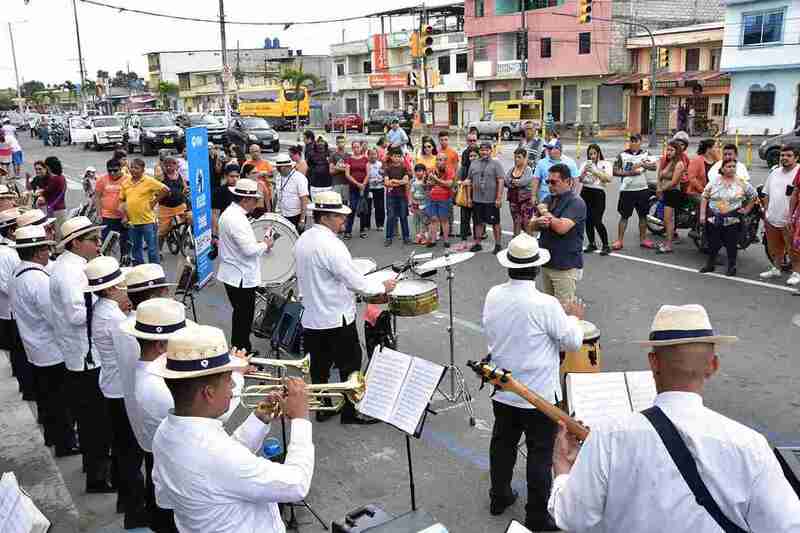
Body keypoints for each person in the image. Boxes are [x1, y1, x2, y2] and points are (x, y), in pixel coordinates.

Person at [548, 304, 800, 532]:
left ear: (653, 362)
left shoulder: (608, 436)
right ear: (713, 366)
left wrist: (563, 469)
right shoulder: (751, 446)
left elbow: (573, 518)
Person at [150, 326, 313, 533]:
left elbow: (165, 499)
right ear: (208, 393)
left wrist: (259, 418)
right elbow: (297, 484)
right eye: (229, 381)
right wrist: (301, 419)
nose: (233, 388)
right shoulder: (217, 454)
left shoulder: (164, 433)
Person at [484, 232, 584, 531]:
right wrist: (573, 317)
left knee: (503, 443)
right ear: (537, 268)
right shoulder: (545, 303)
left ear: (509, 266)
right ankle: (537, 516)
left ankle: (498, 496)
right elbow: (573, 342)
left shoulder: (493, 294)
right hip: (538, 394)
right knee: (540, 454)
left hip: (503, 387)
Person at [295, 190, 396, 424]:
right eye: (339, 216)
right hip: (336, 317)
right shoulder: (332, 245)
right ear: (325, 217)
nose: (343, 220)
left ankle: (323, 408)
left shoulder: (303, 240)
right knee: (350, 365)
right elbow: (356, 282)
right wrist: (382, 285)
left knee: (319, 366)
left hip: (312, 317)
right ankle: (350, 413)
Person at [50, 216, 116, 493]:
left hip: (81, 354)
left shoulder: (73, 266)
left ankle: (96, 467)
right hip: (85, 358)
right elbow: (76, 314)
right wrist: (106, 297)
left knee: (93, 421)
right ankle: (98, 478)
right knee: (95, 422)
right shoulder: (71, 273)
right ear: (75, 243)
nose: (98, 244)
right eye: (92, 240)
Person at [83, 256, 148, 528]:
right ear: (110, 289)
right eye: (122, 285)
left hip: (112, 387)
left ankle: (127, 500)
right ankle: (134, 509)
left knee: (124, 451)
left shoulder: (106, 309)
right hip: (120, 391)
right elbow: (134, 356)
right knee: (130, 453)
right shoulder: (113, 318)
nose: (126, 289)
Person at [119, 297, 193, 533]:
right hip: (175, 470)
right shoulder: (157, 387)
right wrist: (235, 379)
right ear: (161, 345)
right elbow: (205, 417)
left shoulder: (149, 370)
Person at [8, 224, 79, 457]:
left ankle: (53, 436)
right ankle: (65, 442)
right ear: (38, 252)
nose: (49, 253)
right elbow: (54, 317)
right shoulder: (38, 280)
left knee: (47, 398)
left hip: (34, 347)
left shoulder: (18, 274)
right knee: (60, 401)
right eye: (46, 249)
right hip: (51, 348)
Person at [217, 178, 274, 353]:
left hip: (234, 274)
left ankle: (240, 348)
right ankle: (241, 351)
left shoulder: (230, 214)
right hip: (240, 276)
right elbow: (249, 251)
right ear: (245, 200)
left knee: (241, 316)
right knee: (243, 317)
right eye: (255, 200)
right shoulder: (237, 219)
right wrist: (266, 244)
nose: (256, 204)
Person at [528, 164, 586, 304]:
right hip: (547, 262)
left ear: (568, 182)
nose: (550, 185)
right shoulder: (549, 199)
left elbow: (561, 228)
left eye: (554, 182)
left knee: (563, 311)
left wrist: (544, 213)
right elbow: (530, 225)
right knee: (549, 307)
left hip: (565, 266)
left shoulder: (576, 202)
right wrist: (538, 223)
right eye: (547, 182)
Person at [699, 159, 756, 276]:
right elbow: (704, 196)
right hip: (714, 218)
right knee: (713, 243)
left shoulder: (741, 182)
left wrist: (746, 209)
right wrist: (702, 214)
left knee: (731, 244)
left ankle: (731, 266)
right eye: (729, 166)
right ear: (723, 168)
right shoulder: (714, 182)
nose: (731, 169)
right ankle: (710, 264)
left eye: (734, 166)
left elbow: (753, 196)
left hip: (732, 219)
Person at [1, 208, 34, 401]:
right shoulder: (8, 254)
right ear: (13, 230)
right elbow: (7, 286)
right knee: (20, 352)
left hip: (11, 310)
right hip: (11, 311)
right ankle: (28, 389)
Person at [761, 145, 800, 283]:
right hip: (772, 218)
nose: (784, 158)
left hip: (790, 220)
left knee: (793, 249)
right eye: (782, 155)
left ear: (796, 157)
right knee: (774, 248)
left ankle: (796, 272)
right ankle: (776, 269)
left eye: (789, 155)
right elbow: (766, 193)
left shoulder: (798, 172)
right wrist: (766, 212)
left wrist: (793, 217)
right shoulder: (774, 173)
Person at [119, 159, 169, 265]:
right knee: (136, 249)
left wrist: (154, 202)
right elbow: (122, 200)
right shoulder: (125, 183)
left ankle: (155, 271)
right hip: (133, 222)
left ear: (143, 170)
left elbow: (165, 190)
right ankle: (140, 271)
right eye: (131, 167)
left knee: (152, 249)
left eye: (136, 168)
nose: (133, 170)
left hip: (148, 222)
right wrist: (124, 216)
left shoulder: (148, 181)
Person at [612, 133, 657, 250]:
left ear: (640, 142)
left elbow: (654, 167)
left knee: (643, 216)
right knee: (624, 216)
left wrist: (643, 165)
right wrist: (629, 173)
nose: (634, 143)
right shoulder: (622, 155)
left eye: (636, 141)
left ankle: (643, 239)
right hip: (627, 190)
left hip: (642, 189)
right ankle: (619, 240)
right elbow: (615, 171)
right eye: (632, 141)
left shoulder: (646, 154)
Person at [467, 141, 505, 254]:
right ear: (479, 151)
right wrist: (469, 198)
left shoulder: (496, 164)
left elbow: (501, 180)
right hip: (477, 199)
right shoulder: (473, 163)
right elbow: (469, 181)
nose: (484, 152)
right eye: (482, 150)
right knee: (478, 222)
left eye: (487, 150)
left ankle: (498, 244)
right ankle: (477, 243)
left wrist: (498, 198)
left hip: (491, 200)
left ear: (490, 151)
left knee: (495, 223)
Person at [578, 144, 613, 255]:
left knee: (597, 220)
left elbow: (608, 178)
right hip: (586, 191)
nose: (592, 156)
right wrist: (584, 171)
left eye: (594, 153)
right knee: (588, 220)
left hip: (598, 193)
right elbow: (579, 179)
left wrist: (595, 171)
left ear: (598, 153)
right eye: (590, 154)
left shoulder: (606, 164)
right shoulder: (585, 164)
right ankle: (592, 243)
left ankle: (606, 245)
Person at [656, 141, 688, 254]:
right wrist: (658, 187)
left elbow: (674, 182)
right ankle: (666, 242)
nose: (668, 152)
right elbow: (659, 175)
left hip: (673, 193)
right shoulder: (667, 162)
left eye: (671, 150)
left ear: (677, 151)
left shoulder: (679, 164)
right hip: (665, 193)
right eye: (668, 150)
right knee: (665, 220)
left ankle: (668, 245)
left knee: (669, 221)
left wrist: (661, 189)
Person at [95, 158, 130, 259]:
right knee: (106, 243)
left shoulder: (128, 179)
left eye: (115, 170)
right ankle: (107, 262)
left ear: (121, 169)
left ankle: (125, 261)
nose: (112, 173)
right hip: (107, 217)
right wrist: (99, 214)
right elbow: (97, 197)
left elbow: (130, 198)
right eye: (109, 170)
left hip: (124, 218)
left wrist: (126, 216)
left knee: (125, 242)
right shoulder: (102, 180)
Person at [157, 156, 190, 250]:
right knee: (162, 231)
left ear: (176, 166)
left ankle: (185, 238)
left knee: (189, 220)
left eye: (171, 165)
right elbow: (155, 189)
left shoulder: (179, 175)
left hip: (180, 205)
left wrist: (186, 190)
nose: (168, 168)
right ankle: (158, 250)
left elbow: (184, 187)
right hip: (165, 208)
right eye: (166, 166)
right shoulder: (161, 177)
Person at [274, 154, 309, 233]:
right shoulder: (278, 177)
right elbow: (276, 195)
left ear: (287, 167)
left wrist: (302, 220)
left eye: (279, 168)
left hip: (296, 216)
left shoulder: (299, 178)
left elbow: (304, 199)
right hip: (282, 214)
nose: (278, 170)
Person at [383, 147, 411, 246]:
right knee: (390, 217)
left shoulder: (404, 168)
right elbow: (386, 183)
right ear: (391, 157)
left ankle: (406, 237)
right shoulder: (388, 168)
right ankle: (388, 237)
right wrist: (399, 182)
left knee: (403, 216)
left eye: (399, 156)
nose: (397, 158)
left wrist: (394, 181)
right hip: (391, 196)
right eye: (395, 156)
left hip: (402, 196)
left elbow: (406, 181)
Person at [505, 147, 535, 237]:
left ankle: (531, 243)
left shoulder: (528, 170)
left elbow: (524, 182)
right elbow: (506, 181)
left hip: (526, 202)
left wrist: (514, 182)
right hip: (513, 201)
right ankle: (516, 242)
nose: (516, 159)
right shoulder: (512, 169)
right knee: (516, 221)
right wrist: (515, 182)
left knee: (527, 223)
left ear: (525, 158)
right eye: (515, 157)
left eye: (519, 157)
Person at [427, 152, 454, 248]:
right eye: (437, 159)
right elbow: (428, 183)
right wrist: (430, 182)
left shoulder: (449, 170)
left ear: (445, 161)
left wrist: (436, 180)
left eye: (441, 160)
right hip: (432, 198)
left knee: (444, 220)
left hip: (444, 198)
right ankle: (433, 240)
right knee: (433, 219)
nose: (438, 162)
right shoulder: (431, 170)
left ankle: (446, 240)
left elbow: (449, 184)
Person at [37, 157, 67, 240]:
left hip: (56, 209)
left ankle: (58, 251)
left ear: (49, 167)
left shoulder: (55, 179)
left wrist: (40, 193)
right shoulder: (61, 177)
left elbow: (46, 191)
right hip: (59, 207)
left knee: (57, 233)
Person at [344, 141, 369, 239]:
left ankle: (362, 230)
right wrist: (357, 183)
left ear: (360, 148)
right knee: (353, 208)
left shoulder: (365, 159)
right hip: (353, 187)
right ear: (352, 148)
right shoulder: (349, 159)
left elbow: (368, 173)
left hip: (364, 187)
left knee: (363, 209)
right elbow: (347, 174)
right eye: (354, 147)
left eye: (357, 147)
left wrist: (363, 184)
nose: (356, 149)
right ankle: (348, 231)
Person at [457, 147, 480, 241]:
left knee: (477, 218)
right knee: (464, 217)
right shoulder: (464, 168)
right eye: (471, 156)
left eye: (475, 155)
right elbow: (459, 181)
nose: (473, 158)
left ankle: (477, 237)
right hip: (465, 196)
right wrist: (463, 182)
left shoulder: (481, 167)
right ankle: (464, 236)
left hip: (478, 196)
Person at [212, 163, 239, 237]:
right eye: (232, 176)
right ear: (225, 176)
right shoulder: (219, 192)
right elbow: (215, 214)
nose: (235, 179)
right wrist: (215, 235)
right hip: (225, 229)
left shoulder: (241, 190)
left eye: (237, 176)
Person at [410, 163, 432, 245]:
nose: (418, 173)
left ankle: (423, 236)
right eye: (417, 171)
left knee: (424, 221)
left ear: (424, 172)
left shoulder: (426, 181)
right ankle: (417, 236)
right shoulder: (413, 181)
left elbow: (427, 192)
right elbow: (411, 193)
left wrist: (424, 180)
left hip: (424, 204)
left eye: (420, 171)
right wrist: (411, 202)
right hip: (415, 204)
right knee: (416, 221)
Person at [366, 147, 385, 233]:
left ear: (377, 155)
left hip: (379, 187)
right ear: (368, 155)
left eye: (374, 154)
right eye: (371, 154)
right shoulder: (366, 164)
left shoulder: (381, 164)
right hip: (369, 188)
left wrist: (380, 180)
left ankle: (380, 224)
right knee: (367, 207)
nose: (373, 156)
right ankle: (366, 224)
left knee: (379, 207)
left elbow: (386, 176)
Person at [329, 135, 351, 205]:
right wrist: (343, 169)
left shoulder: (349, 156)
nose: (340, 144)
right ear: (336, 143)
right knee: (336, 204)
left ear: (345, 143)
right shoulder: (333, 155)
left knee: (345, 204)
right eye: (338, 142)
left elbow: (350, 171)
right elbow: (331, 171)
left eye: (342, 142)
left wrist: (337, 168)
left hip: (346, 184)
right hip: (336, 184)